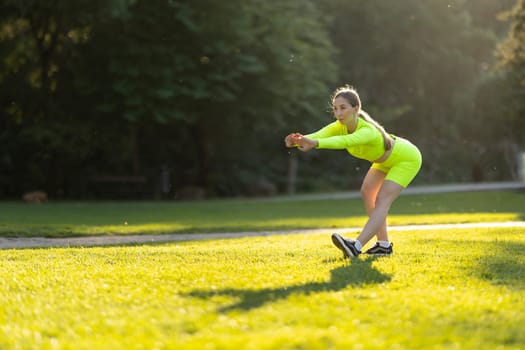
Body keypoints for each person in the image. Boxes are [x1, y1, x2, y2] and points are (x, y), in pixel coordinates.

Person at [284, 85, 422, 257]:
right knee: (367, 192)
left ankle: (356, 246)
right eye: (335, 109)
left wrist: (315, 143)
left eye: (343, 108)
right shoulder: (339, 126)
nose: (339, 113)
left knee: (382, 199)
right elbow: (317, 136)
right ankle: (383, 245)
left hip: (406, 158)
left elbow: (344, 142)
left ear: (356, 108)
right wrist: (297, 141)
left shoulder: (367, 130)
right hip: (384, 161)